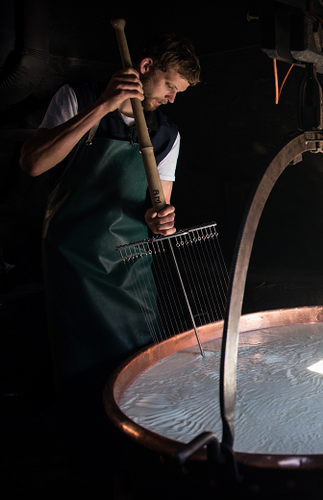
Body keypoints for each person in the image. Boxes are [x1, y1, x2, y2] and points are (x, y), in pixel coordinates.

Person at [18, 32, 200, 488]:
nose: (173, 98)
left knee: (137, 362)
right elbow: (34, 163)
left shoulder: (167, 133)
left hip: (131, 266)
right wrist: (100, 107)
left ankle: (137, 461)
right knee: (80, 372)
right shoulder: (77, 96)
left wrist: (162, 223)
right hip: (74, 263)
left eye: (179, 92)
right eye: (169, 85)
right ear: (144, 67)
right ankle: (92, 469)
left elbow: (158, 207)